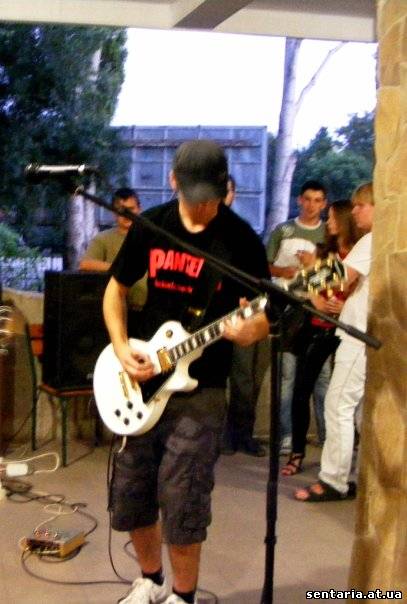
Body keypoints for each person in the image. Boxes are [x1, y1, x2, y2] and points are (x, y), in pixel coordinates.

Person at [103, 140, 271, 604]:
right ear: (173, 181)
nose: (201, 208)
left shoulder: (240, 240)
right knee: (132, 492)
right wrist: (120, 347)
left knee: (183, 498)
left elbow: (265, 313)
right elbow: (115, 289)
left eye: (210, 198)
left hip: (202, 387)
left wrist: (251, 330)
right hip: (144, 376)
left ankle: (183, 595)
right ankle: (151, 579)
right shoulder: (152, 225)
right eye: (193, 196)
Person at [295, 182, 374, 502]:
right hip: (359, 333)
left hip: (358, 336)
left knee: (338, 404)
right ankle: (361, 478)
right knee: (359, 413)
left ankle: (333, 480)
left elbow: (341, 276)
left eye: (361, 205)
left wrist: (301, 280)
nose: (354, 211)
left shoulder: (372, 240)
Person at [280, 199, 362, 476]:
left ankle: (342, 455)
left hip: (346, 330)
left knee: (340, 398)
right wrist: (315, 297)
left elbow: (351, 284)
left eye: (333, 218)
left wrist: (344, 306)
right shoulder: (325, 251)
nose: (328, 223)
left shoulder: (359, 253)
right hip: (317, 327)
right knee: (302, 389)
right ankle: (297, 452)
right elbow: (308, 283)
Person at [266, 180, 329, 454]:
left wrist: (311, 267)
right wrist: (284, 272)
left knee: (322, 377)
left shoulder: (328, 232)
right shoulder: (283, 230)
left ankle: (327, 436)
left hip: (317, 310)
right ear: (299, 200)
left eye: (318, 200)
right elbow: (266, 265)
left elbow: (334, 272)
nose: (312, 205)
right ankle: (286, 436)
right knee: (287, 376)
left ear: (324, 204)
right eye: (308, 199)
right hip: (286, 308)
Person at [221, 174, 267, 456]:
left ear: (233, 194)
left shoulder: (243, 233)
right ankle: (219, 435)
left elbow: (258, 277)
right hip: (203, 317)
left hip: (241, 313)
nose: (222, 195)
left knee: (243, 380)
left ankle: (242, 435)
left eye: (227, 191)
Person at [79, 187, 148, 317]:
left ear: (139, 209)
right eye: (122, 210)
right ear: (114, 213)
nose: (127, 214)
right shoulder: (103, 238)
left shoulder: (152, 236)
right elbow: (86, 264)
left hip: (151, 310)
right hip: (120, 310)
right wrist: (119, 269)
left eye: (131, 209)